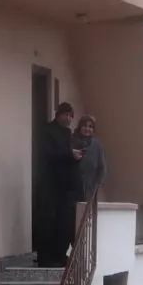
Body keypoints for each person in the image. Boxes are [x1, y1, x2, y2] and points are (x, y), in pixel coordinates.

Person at [39, 102, 83, 267]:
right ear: (58, 114)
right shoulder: (47, 130)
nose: (69, 119)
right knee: (48, 220)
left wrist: (76, 156)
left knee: (63, 222)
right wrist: (69, 154)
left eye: (71, 116)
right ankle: (45, 257)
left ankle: (59, 255)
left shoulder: (67, 133)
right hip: (50, 183)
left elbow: (66, 156)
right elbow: (49, 154)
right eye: (66, 115)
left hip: (66, 185)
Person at [73, 114, 107, 203]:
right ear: (80, 127)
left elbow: (102, 168)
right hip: (72, 187)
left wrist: (95, 185)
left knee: (88, 214)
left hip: (90, 189)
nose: (87, 129)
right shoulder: (71, 140)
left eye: (90, 126)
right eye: (85, 126)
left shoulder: (97, 145)